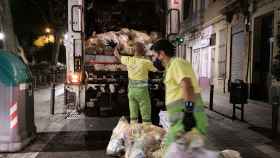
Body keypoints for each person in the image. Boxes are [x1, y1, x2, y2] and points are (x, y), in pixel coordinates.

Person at [150, 39, 208, 148]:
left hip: (187, 118)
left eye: (154, 56)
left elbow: (187, 85)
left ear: (161, 54)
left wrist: (188, 113)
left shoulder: (177, 63)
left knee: (173, 151)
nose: (155, 59)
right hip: (180, 119)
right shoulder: (171, 66)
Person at [114, 42, 157, 125]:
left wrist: (116, 47)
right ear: (143, 51)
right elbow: (157, 69)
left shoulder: (128, 60)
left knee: (133, 116)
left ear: (133, 51)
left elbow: (116, 55)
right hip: (142, 92)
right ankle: (146, 130)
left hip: (131, 92)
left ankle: (133, 132)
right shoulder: (145, 62)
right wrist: (154, 56)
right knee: (146, 115)